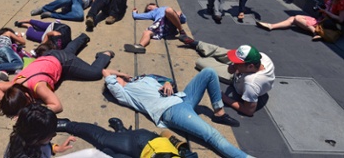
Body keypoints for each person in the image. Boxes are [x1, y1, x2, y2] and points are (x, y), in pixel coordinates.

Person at [103, 68, 251, 158]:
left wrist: (167, 83)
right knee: (212, 135)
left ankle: (219, 112)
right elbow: (106, 73)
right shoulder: (124, 93)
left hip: (182, 97)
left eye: (117, 78)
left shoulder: (143, 78)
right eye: (116, 79)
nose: (116, 79)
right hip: (171, 110)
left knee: (209, 72)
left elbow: (167, 80)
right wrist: (121, 73)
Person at [8, 103, 197, 158]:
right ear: (36, 137)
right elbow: (168, 136)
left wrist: (56, 148)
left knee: (102, 152)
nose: (53, 136)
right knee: (101, 145)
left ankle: (121, 131)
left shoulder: (28, 140)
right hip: (142, 141)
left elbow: (43, 147)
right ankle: (120, 133)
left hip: (139, 149)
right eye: (51, 134)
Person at [0, 33, 114, 116]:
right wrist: (5, 100)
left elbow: (57, 106)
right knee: (68, 51)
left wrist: (29, 113)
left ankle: (105, 55)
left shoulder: (39, 87)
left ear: (27, 96)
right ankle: (82, 38)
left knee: (94, 73)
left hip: (63, 62)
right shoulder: (15, 84)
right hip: (48, 57)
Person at [185, 39, 275, 116]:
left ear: (250, 66)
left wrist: (225, 98)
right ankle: (198, 44)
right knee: (223, 52)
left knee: (200, 62)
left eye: (237, 63)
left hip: (236, 78)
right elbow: (239, 65)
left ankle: (204, 50)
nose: (233, 63)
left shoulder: (251, 83)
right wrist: (236, 66)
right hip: (242, 71)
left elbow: (249, 111)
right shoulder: (262, 57)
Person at [256, 0, 344, 42]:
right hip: (321, 20)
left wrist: (326, 12)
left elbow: (340, 19)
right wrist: (322, 9)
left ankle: (315, 32)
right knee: (292, 18)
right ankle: (271, 26)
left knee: (297, 18)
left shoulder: (341, 2)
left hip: (327, 24)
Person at [123, 3, 193, 54]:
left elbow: (183, 19)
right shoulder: (151, 13)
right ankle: (140, 46)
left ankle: (182, 32)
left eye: (150, 5)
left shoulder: (164, 8)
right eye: (148, 8)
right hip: (161, 25)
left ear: (156, 5)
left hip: (170, 20)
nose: (149, 7)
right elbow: (137, 16)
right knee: (147, 32)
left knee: (169, 10)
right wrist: (134, 12)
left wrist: (179, 13)